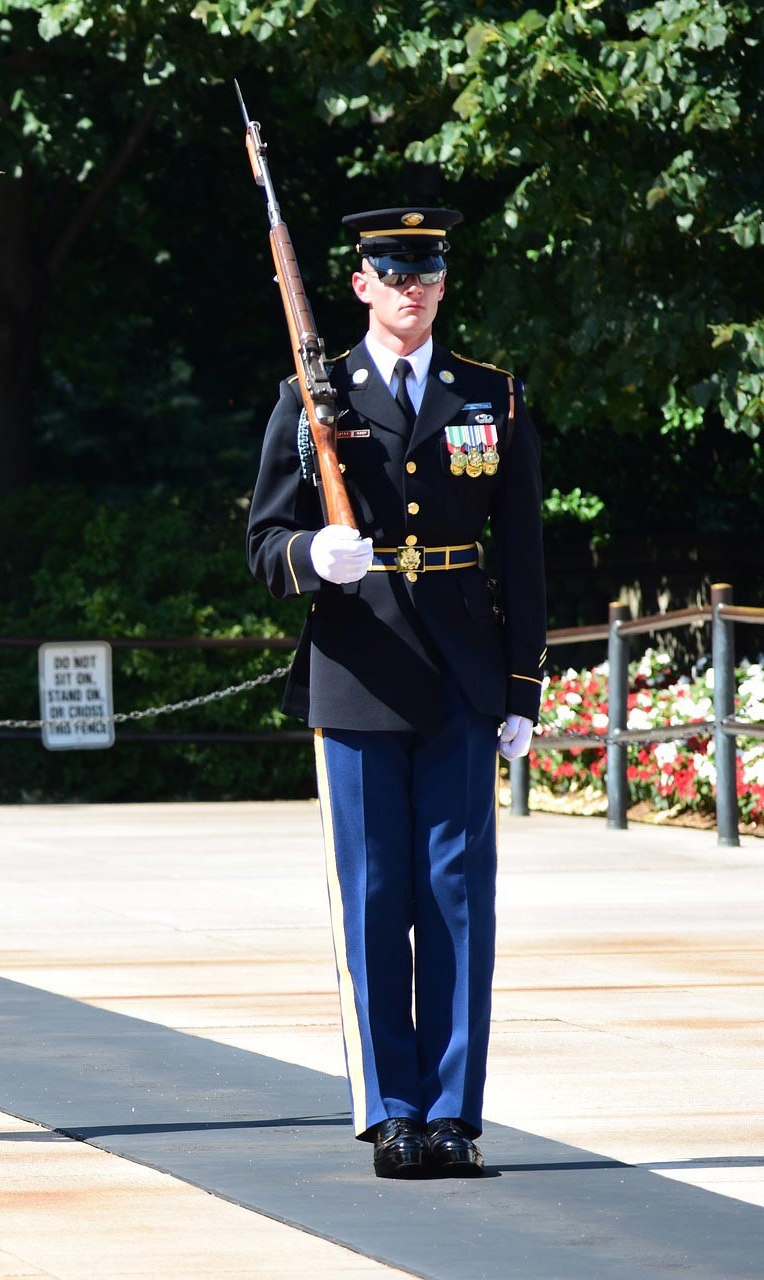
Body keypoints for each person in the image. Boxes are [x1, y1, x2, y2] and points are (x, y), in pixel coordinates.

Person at [246, 207, 545, 1180]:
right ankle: (391, 1108)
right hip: (360, 665)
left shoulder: (488, 396)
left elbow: (526, 557)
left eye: (425, 270)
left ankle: (455, 1110)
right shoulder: (313, 394)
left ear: (443, 284)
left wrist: (522, 687)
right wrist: (309, 554)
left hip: (462, 672)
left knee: (459, 898)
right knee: (375, 899)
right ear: (361, 283)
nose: (409, 286)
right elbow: (263, 540)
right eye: (391, 269)